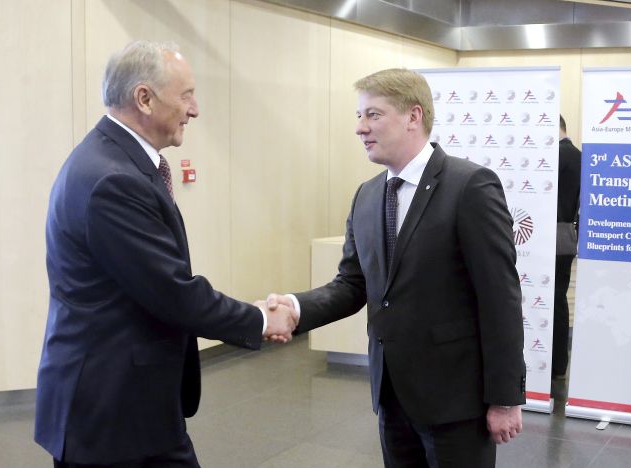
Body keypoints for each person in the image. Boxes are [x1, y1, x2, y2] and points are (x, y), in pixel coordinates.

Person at [34, 41, 297, 467]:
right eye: (186, 95)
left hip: (130, 405)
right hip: (111, 414)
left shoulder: (116, 162)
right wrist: (262, 319)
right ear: (144, 98)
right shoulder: (113, 180)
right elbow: (173, 292)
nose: (195, 110)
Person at [266, 69, 525, 467]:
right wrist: (295, 307)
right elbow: (351, 284)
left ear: (413, 116)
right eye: (359, 116)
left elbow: (500, 299)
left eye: (373, 114)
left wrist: (505, 399)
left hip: (456, 402)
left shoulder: (470, 186)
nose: (360, 127)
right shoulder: (367, 196)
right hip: (391, 396)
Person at [553, 114, 581, 379]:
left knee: (552, 301)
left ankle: (554, 364)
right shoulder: (580, 157)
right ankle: (560, 365)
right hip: (568, 237)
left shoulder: (554, 156)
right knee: (559, 298)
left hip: (550, 237)